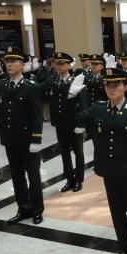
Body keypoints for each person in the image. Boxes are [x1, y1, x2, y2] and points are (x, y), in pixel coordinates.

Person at [76, 66, 127, 254]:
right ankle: (123, 249)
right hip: (109, 171)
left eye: (116, 84)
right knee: (116, 212)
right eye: (108, 84)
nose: (111, 88)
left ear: (126, 87)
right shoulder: (98, 109)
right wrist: (73, 96)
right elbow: (76, 120)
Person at [0, 47, 44, 225]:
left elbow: (37, 115)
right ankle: (23, 208)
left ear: (23, 66)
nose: (9, 64)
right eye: (7, 61)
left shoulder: (31, 87)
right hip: (10, 139)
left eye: (14, 61)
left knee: (33, 176)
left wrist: (36, 139)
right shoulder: (2, 85)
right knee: (16, 176)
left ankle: (37, 209)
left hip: (28, 140)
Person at [42, 52, 88, 192]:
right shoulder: (53, 80)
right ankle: (69, 179)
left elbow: (83, 105)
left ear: (69, 65)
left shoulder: (76, 81)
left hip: (74, 123)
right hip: (60, 123)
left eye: (62, 63)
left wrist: (81, 124)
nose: (59, 66)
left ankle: (79, 180)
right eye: (57, 63)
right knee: (64, 152)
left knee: (78, 152)